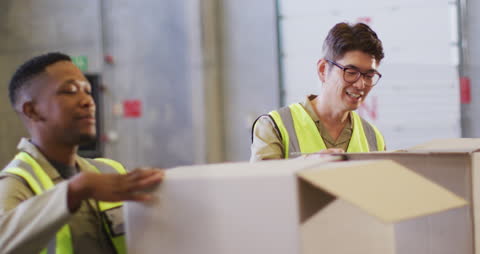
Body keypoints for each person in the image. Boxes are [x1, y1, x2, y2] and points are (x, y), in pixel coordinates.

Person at [0, 52, 165, 254]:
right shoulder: (15, 185)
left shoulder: (109, 170)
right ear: (32, 111)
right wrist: (75, 191)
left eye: (87, 90)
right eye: (70, 90)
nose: (88, 101)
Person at [251, 22, 386, 161]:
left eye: (369, 76)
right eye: (351, 72)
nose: (361, 84)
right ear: (323, 69)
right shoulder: (274, 126)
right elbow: (260, 181)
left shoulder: (374, 138)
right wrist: (307, 164)